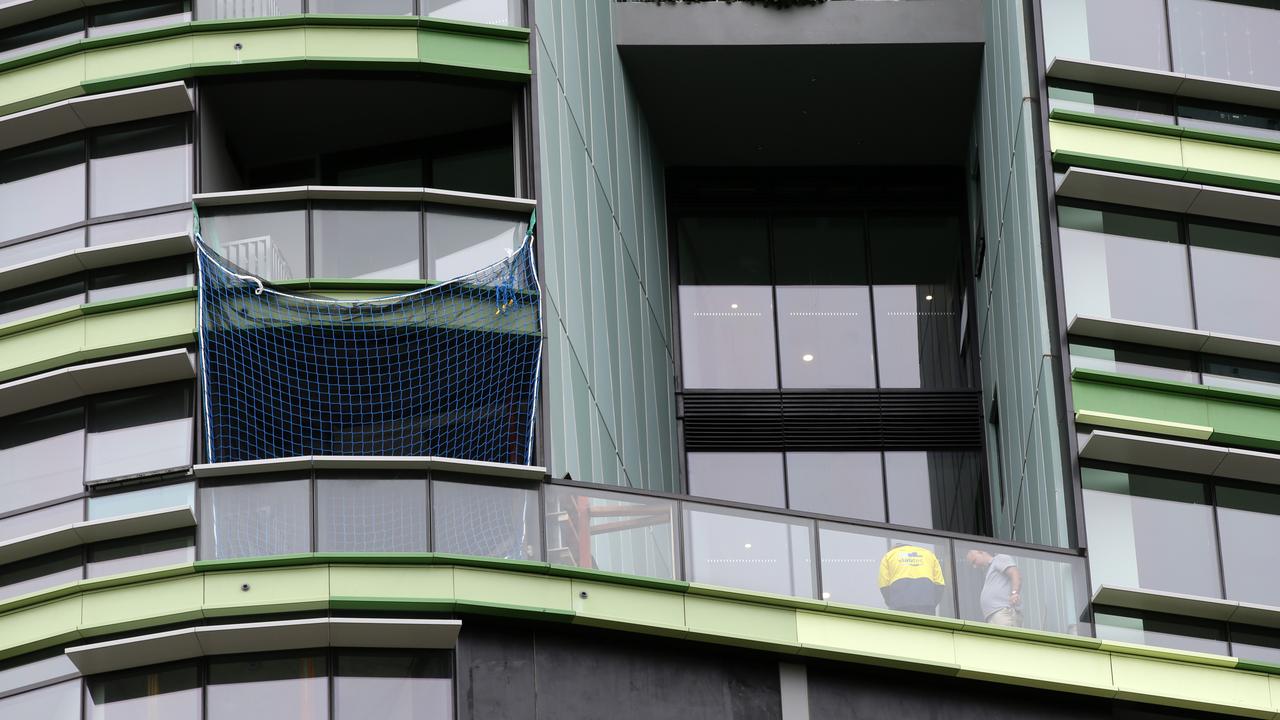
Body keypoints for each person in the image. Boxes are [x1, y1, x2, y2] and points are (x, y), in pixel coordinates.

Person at [878, 543, 946, 615]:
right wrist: (932, 603)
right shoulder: (929, 554)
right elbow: (939, 584)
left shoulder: (889, 555)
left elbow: (884, 585)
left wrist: (891, 602)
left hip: (900, 602)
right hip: (926, 603)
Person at [966, 549, 1022, 627]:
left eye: (974, 561)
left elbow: (1015, 573)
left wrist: (1014, 593)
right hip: (994, 616)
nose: (974, 566)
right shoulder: (989, 570)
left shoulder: (999, 559)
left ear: (980, 552)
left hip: (1003, 612)